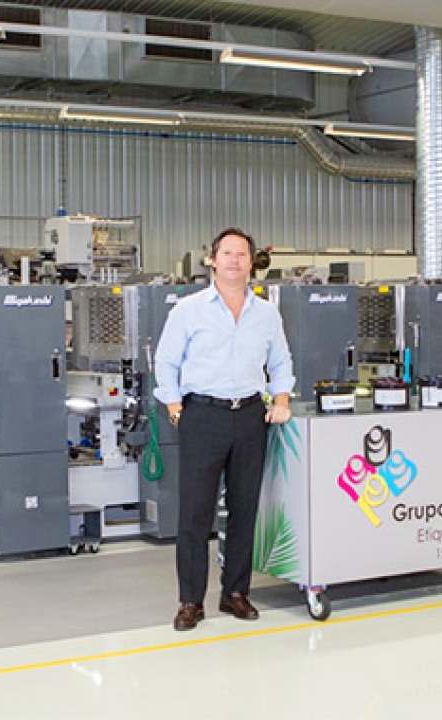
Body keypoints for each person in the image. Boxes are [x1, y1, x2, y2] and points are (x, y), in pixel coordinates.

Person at [154, 228, 295, 631]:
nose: (234, 260)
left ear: (252, 262)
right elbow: (166, 361)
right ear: (212, 260)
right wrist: (176, 406)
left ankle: (235, 593)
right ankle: (190, 600)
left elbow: (281, 361)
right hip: (202, 415)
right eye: (227, 253)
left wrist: (281, 400)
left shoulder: (266, 313)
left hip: (251, 416)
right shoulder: (189, 310)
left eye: (242, 254)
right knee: (195, 515)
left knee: (244, 511)